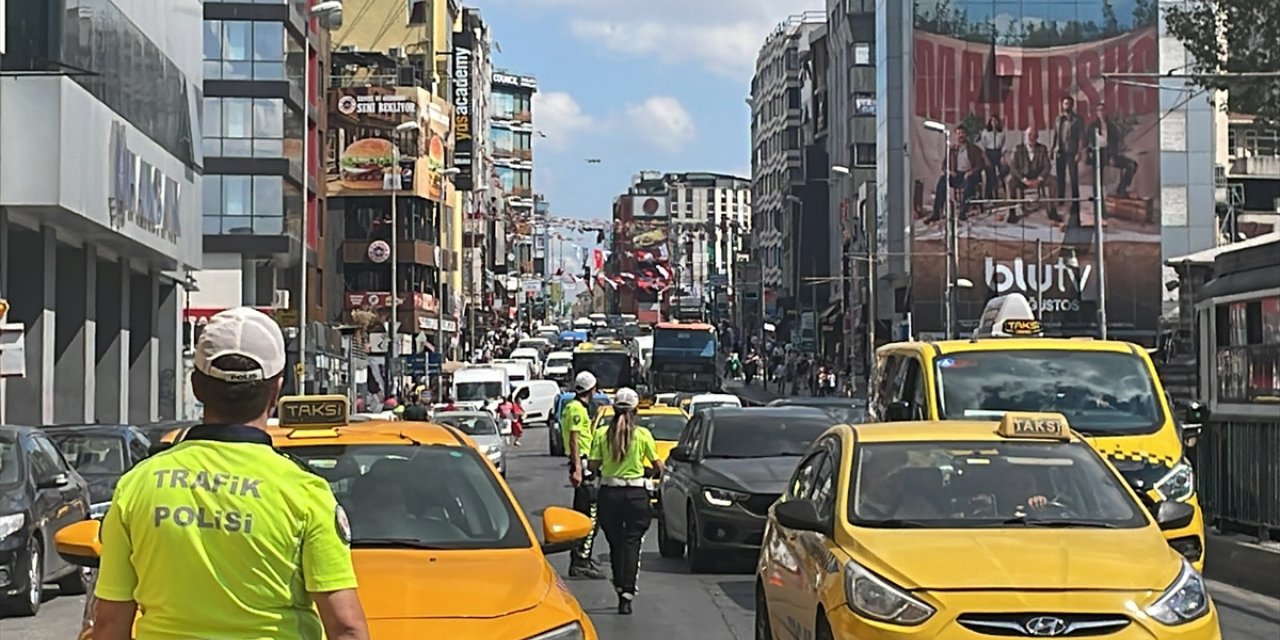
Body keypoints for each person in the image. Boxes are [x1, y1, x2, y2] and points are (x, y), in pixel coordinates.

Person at [92, 307, 369, 640]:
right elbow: (346, 629)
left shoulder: (138, 485)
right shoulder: (304, 491)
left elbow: (109, 625)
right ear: (276, 390)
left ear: (196, 386)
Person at [589, 388, 663, 615]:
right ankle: (627, 593)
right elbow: (658, 466)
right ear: (635, 410)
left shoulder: (602, 434)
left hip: (609, 494)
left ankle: (620, 583)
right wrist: (648, 473)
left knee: (615, 543)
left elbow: (593, 465)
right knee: (632, 543)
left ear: (614, 408)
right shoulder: (642, 435)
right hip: (636, 495)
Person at [562, 371, 606, 579]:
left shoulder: (574, 407)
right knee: (590, 515)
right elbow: (574, 438)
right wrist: (578, 467)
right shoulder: (577, 409)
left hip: (583, 463)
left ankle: (582, 557)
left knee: (584, 514)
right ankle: (581, 559)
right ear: (592, 389)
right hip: (584, 464)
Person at [928, 124, 986, 223]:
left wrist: (971, 172)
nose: (961, 135)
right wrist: (949, 171)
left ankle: (963, 213)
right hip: (957, 174)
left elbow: (980, 164)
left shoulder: (973, 149)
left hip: (970, 174)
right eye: (958, 133)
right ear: (956, 135)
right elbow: (944, 165)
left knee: (969, 183)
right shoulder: (953, 149)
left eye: (962, 133)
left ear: (966, 134)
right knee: (942, 181)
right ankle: (937, 213)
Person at [1006, 126, 1061, 224]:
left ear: (1037, 137)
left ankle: (1053, 211)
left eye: (1034, 135)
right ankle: (1012, 212)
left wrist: (1039, 179)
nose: (1032, 138)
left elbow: (1047, 166)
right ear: (1025, 136)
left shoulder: (1042, 148)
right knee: (1010, 180)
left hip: (1037, 179)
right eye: (1029, 135)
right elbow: (1013, 167)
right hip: (1022, 180)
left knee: (1054, 181)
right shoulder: (1017, 149)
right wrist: (1023, 180)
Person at [1086, 102, 1138, 200]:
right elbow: (1087, 142)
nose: (1101, 113)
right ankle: (1098, 196)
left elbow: (1116, 143)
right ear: (1096, 113)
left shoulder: (1112, 127)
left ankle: (1121, 189)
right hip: (1098, 154)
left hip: (1110, 153)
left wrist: (1113, 156)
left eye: (1102, 110)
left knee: (1132, 165)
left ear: (1106, 112)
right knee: (1097, 177)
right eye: (1098, 110)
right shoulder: (1092, 126)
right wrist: (1088, 154)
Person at [1051, 95, 1085, 224]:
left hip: (1072, 152)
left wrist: (1079, 152)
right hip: (1060, 152)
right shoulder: (1058, 119)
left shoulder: (1077, 120)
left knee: (1073, 177)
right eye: (1065, 104)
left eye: (1069, 104)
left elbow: (1082, 137)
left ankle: (1075, 202)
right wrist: (1052, 148)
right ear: (1062, 105)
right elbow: (1055, 134)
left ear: (1072, 105)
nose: (1067, 106)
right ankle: (1061, 200)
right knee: (1060, 177)